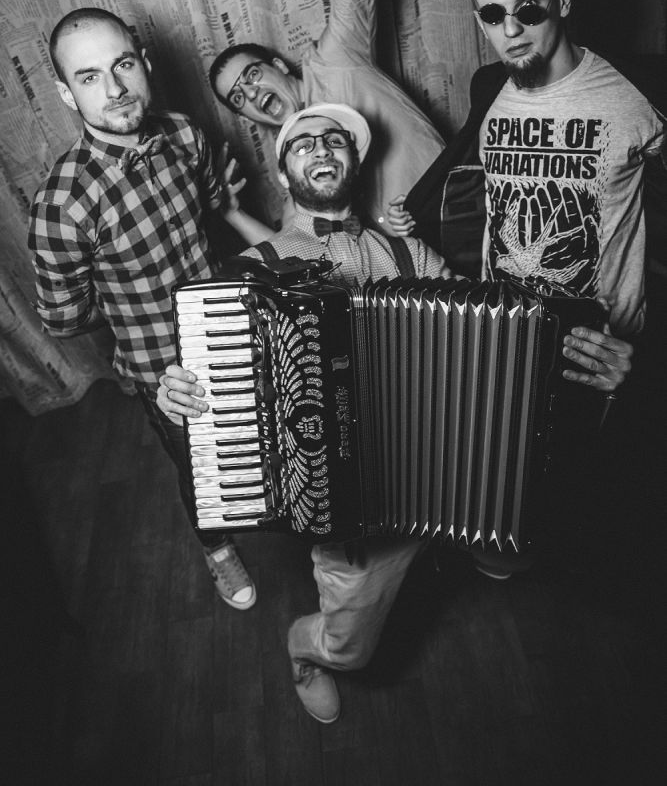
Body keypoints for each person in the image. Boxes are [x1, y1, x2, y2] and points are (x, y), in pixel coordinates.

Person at [155, 103, 632, 723]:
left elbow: (503, 345)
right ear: (284, 175)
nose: (321, 148)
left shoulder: (411, 254)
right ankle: (304, 651)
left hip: (453, 482)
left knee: (518, 540)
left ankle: (478, 543)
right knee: (349, 651)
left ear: (356, 161)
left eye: (335, 140)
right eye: (302, 143)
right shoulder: (254, 275)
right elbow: (214, 393)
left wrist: (595, 369)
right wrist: (184, 397)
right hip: (355, 523)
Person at [27, 7, 268, 611]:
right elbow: (64, 318)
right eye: (89, 77)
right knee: (201, 473)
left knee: (264, 438)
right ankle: (217, 550)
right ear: (66, 93)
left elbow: (210, 206)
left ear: (145, 64)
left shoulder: (185, 134)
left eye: (123, 65)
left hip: (232, 326)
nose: (114, 89)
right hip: (167, 374)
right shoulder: (60, 207)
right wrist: (135, 313)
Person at [390, 0, 665, 341]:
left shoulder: (640, 93)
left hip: (596, 347)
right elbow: (472, 189)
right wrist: (418, 211)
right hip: (500, 337)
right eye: (493, 14)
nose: (511, 29)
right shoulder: (488, 90)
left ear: (563, 0)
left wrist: (645, 357)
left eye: (529, 8)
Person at [209, 0, 445, 233]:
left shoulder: (335, 60)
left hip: (451, 206)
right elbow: (293, 247)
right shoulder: (294, 157)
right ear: (246, 115)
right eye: (239, 97)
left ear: (278, 65)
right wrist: (232, 214)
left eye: (252, 76)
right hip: (405, 257)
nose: (252, 94)